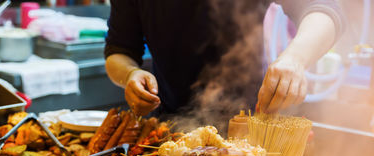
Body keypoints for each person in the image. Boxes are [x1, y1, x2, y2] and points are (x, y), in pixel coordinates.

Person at [104, 1, 344, 117]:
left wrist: (295, 59)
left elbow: (324, 10)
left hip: (246, 125)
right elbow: (119, 50)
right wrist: (130, 74)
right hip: (168, 127)